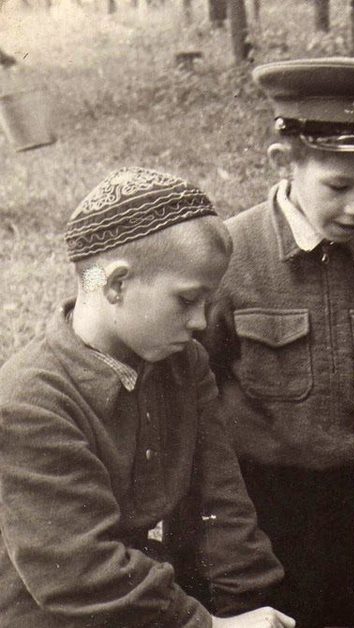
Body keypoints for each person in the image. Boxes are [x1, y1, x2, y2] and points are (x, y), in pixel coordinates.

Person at [200, 57, 354, 628]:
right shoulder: (227, 257)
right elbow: (193, 389)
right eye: (338, 185)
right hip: (251, 514)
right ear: (285, 162)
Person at [0, 167, 292, 627]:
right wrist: (209, 625)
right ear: (115, 285)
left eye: (207, 302)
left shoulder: (183, 364)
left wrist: (249, 603)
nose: (200, 321)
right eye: (186, 300)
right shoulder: (29, 401)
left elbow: (220, 499)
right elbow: (78, 573)